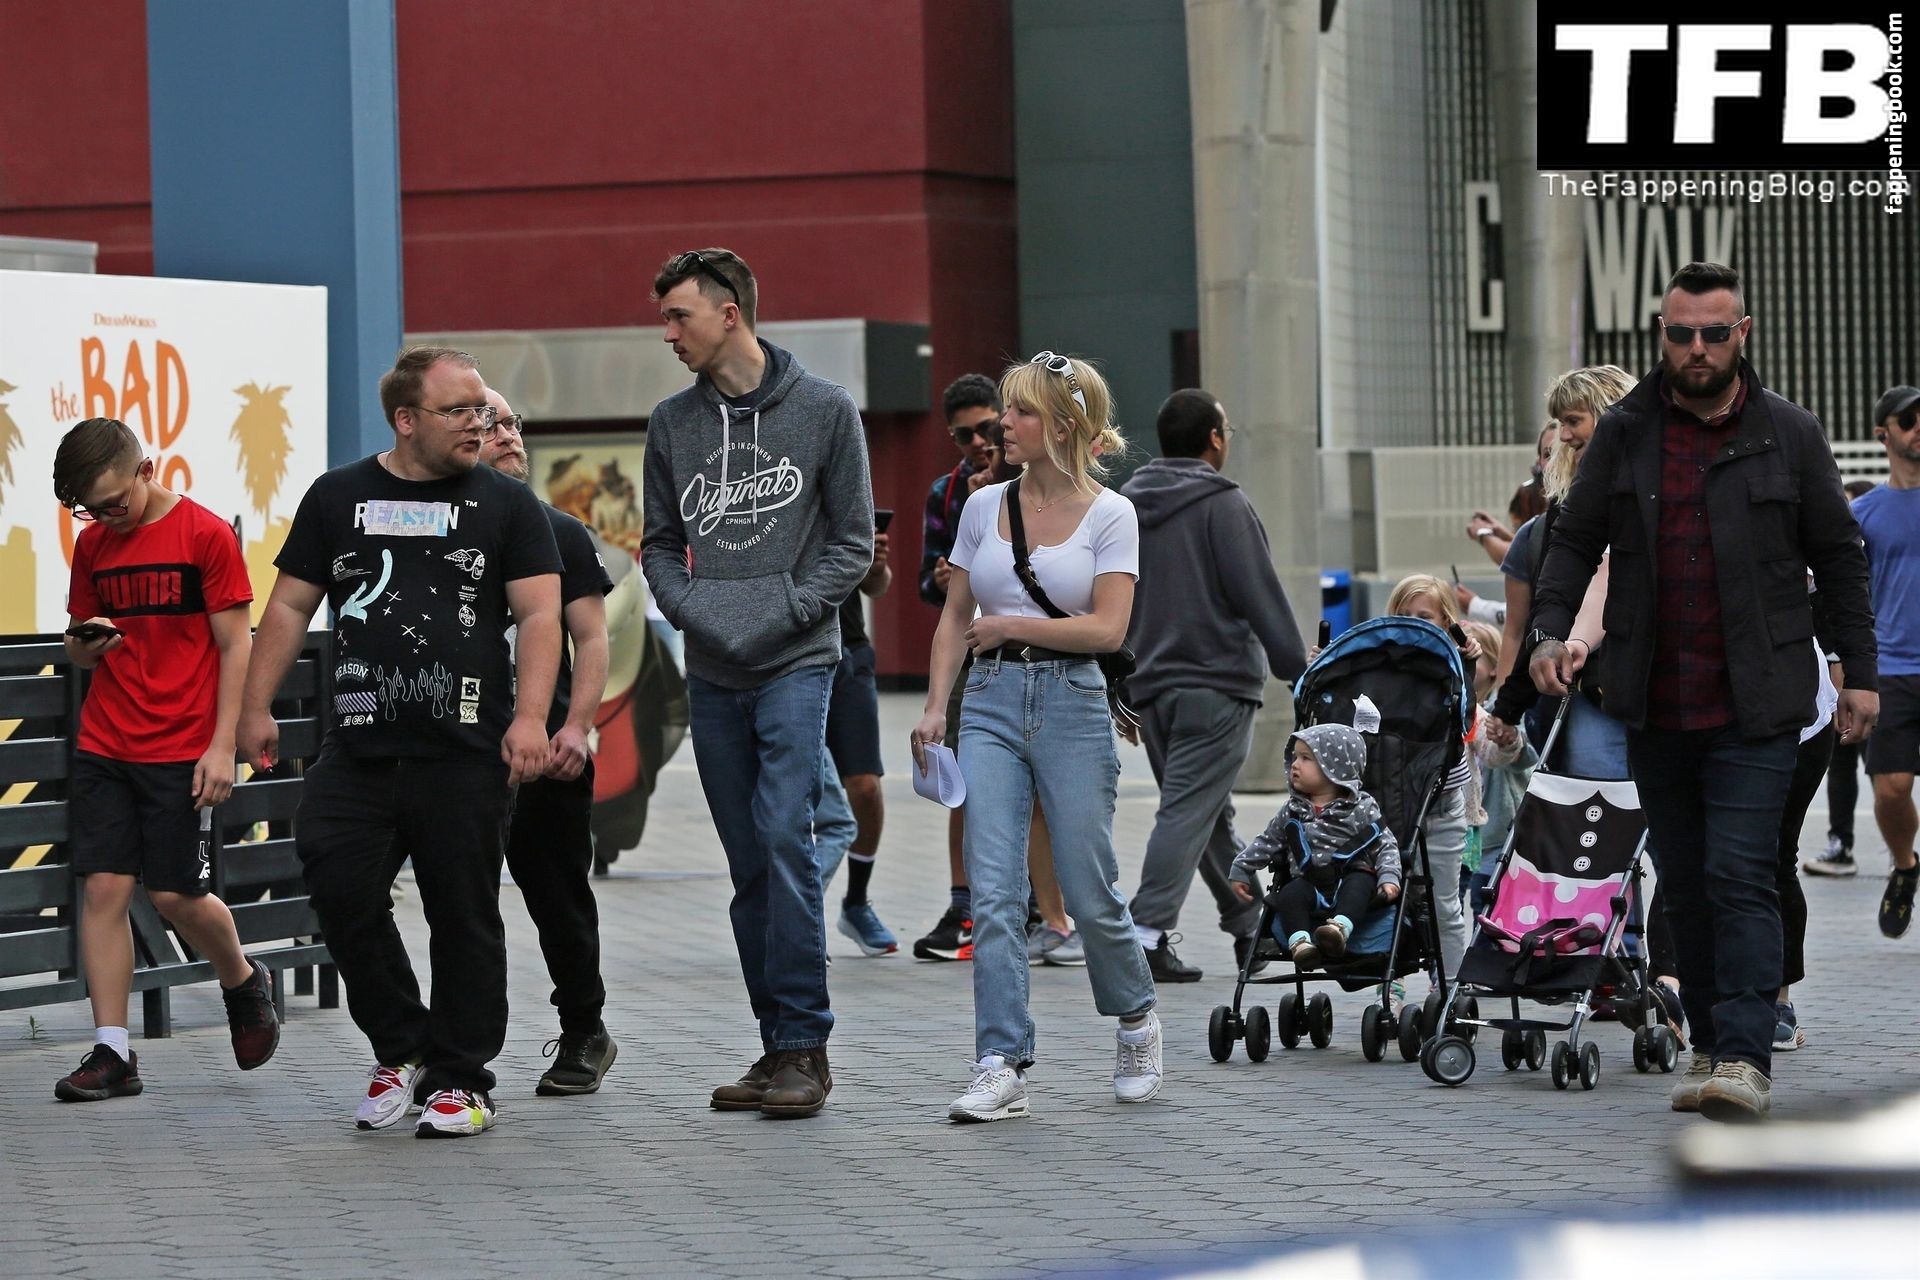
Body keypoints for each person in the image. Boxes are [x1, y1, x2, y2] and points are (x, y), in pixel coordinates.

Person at [1526, 261, 1878, 1122]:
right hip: (1655, 699)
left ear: (1741, 334)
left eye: (1713, 333)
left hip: (1760, 700)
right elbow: (1574, 541)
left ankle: (1746, 1057)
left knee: (1740, 873)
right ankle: (1714, 1045)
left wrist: (1859, 671)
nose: (1696, 348)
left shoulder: (1790, 432)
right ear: (1662, 333)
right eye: (1680, 333)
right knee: (1684, 880)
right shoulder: (1627, 432)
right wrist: (1547, 633)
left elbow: (1838, 557)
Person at [237, 346, 564, 1138]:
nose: (478, 424)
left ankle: (462, 1081)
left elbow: (541, 616)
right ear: (406, 419)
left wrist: (531, 718)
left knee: (463, 914)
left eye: (482, 410)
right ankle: (404, 1045)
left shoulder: (507, 505)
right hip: (358, 747)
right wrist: (253, 707)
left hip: (466, 750)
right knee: (337, 885)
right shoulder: (338, 496)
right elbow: (288, 607)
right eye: (459, 411)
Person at [641, 248, 872, 1119]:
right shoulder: (672, 423)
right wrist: (694, 611)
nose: (668, 334)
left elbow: (853, 542)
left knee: (784, 836)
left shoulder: (824, 410)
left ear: (729, 312)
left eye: (679, 316)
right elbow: (659, 544)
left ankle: (808, 1047)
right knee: (748, 862)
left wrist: (789, 609)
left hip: (796, 661)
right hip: (711, 667)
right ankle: (776, 1046)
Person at [912, 351, 1160, 1122]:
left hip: (1072, 702)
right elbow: (955, 616)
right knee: (992, 891)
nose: (1003, 425)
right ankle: (1001, 1062)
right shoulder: (983, 506)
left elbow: (1108, 629)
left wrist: (1014, 626)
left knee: (1087, 886)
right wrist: (934, 707)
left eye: (1019, 412)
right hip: (987, 699)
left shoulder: (1112, 515)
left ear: (1062, 425)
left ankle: (1135, 1018)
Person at [50, 418, 281, 1102]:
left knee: (175, 894)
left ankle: (243, 978)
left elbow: (236, 645)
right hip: (106, 741)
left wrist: (222, 746)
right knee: (103, 890)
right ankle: (113, 1051)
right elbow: (76, 647)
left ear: (146, 470)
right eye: (90, 509)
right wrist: (84, 645)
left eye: (114, 502)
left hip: (183, 746)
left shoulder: (205, 535)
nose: (105, 518)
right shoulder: (94, 545)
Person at [1121, 387, 1307, 982]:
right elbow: (1258, 591)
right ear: (1214, 439)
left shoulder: (1125, 506)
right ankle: (1144, 934)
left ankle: (1251, 929)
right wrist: (1297, 666)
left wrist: (1117, 683)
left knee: (1205, 813)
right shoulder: (1223, 504)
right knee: (1187, 810)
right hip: (1217, 685)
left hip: (1150, 687)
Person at [479, 388, 618, 1094]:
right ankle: (458, 1046)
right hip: (463, 751)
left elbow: (591, 638)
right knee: (461, 901)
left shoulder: (560, 531)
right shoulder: (443, 529)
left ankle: (585, 1029)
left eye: (512, 423)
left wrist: (575, 727)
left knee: (558, 898)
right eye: (490, 425)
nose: (509, 435)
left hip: (550, 753)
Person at [911, 373, 1000, 962]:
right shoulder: (947, 493)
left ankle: (1045, 908)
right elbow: (928, 582)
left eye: (986, 428)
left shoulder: (1032, 482)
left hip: (1036, 651)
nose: (978, 442)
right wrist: (943, 580)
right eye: (965, 435)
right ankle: (963, 904)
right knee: (962, 778)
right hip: (970, 648)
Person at [1228, 724, 1401, 967]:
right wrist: (1242, 867)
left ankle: (1338, 930)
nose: (1295, 764)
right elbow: (1267, 841)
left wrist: (1389, 876)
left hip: (1350, 876)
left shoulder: (1361, 808)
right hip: (1309, 881)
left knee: (1361, 884)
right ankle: (1301, 944)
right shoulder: (1293, 809)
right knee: (1289, 895)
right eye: (1295, 757)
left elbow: (1385, 844)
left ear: (1335, 768)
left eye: (1306, 759)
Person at [1382, 574, 1481, 981]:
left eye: (1424, 617)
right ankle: (1392, 988)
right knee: (1389, 900)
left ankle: (1451, 988)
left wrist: (1467, 661)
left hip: (1441, 800)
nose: (1413, 624)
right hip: (1387, 798)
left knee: (1443, 904)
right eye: (1403, 615)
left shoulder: (1450, 665)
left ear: (1446, 623)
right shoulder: (1380, 661)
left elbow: (1466, 717)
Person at [1853, 386, 1920, 937]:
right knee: (1891, 790)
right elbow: (1845, 597)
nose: (1919, 427)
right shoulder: (1863, 513)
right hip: (1892, 669)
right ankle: (1905, 866)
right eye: (1908, 420)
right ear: (1884, 434)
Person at [818, 512, 897, 955]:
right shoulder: (773, 488)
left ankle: (856, 902)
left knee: (864, 787)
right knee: (798, 794)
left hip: (849, 651)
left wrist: (876, 566)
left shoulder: (847, 492)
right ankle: (800, 915)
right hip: (787, 653)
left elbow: (876, 586)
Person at [1805, 478, 1881, 876]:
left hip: (1875, 668)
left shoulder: (1869, 558)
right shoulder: (1830, 558)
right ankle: (1840, 843)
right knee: (1841, 760)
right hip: (1837, 668)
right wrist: (1835, 661)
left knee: (1885, 769)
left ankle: (1899, 848)